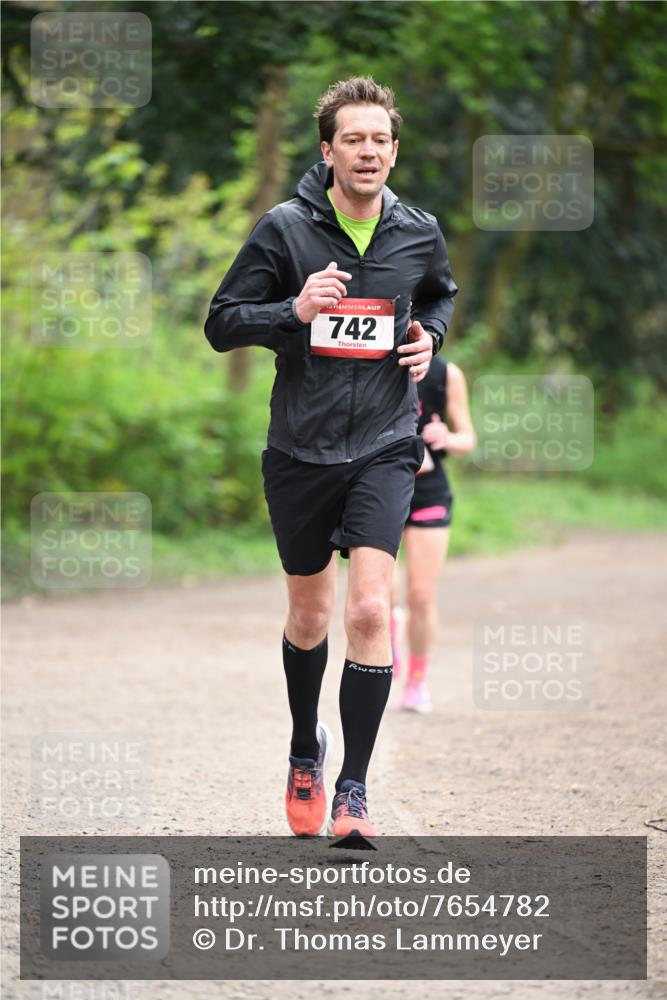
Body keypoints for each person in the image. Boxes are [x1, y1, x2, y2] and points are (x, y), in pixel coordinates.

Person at [205, 77, 457, 841]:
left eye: (379, 139)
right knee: (311, 616)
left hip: (385, 444)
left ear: (393, 151)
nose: (368, 150)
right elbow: (222, 324)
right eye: (353, 139)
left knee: (370, 609)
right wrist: (294, 310)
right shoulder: (284, 229)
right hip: (299, 449)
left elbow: (437, 295)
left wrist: (428, 337)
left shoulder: (418, 231)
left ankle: (353, 789)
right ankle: (302, 750)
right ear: (327, 151)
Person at [391, 356, 476, 713]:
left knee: (422, 595)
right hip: (379, 489)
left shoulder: (446, 373)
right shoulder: (371, 355)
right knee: (379, 590)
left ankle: (416, 682)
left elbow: (468, 437)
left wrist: (448, 438)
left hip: (428, 490)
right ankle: (388, 629)